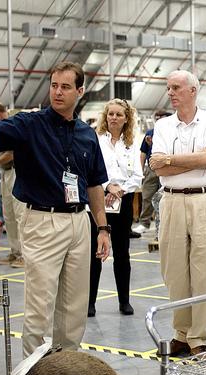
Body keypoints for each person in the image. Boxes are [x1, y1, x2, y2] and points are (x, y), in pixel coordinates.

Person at [0, 61, 111, 358]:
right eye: (54, 85)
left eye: (65, 87)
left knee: (74, 306)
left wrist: (102, 228)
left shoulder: (86, 134)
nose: (58, 92)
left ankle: (67, 367)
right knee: (40, 306)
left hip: (80, 222)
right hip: (43, 220)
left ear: (80, 91)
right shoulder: (30, 124)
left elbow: (94, 185)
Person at [149, 70, 206, 357]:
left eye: (176, 87)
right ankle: (180, 333)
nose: (170, 92)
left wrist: (170, 159)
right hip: (171, 201)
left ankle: (198, 337)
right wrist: (193, 162)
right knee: (174, 271)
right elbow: (158, 167)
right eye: (168, 88)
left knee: (204, 271)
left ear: (192, 90)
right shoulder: (163, 126)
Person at [88, 98, 143, 317]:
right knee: (95, 252)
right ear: (105, 116)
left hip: (124, 200)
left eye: (119, 114)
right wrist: (107, 186)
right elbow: (90, 170)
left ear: (126, 118)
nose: (114, 118)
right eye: (110, 114)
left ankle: (124, 301)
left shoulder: (132, 142)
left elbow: (138, 176)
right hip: (98, 199)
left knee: (122, 253)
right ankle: (90, 302)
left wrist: (119, 190)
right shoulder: (96, 139)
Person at [0, 102, 25, 268]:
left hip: (17, 173)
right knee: (8, 215)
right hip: (5, 173)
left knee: (19, 215)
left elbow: (10, 155)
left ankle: (24, 254)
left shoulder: (13, 126)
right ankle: (14, 251)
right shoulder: (3, 128)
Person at [135, 109, 172, 235]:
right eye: (157, 118)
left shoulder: (172, 132)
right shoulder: (151, 133)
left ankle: (165, 224)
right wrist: (141, 171)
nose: (159, 120)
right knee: (147, 196)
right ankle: (144, 223)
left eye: (162, 117)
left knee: (166, 197)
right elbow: (143, 153)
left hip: (168, 168)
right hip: (151, 169)